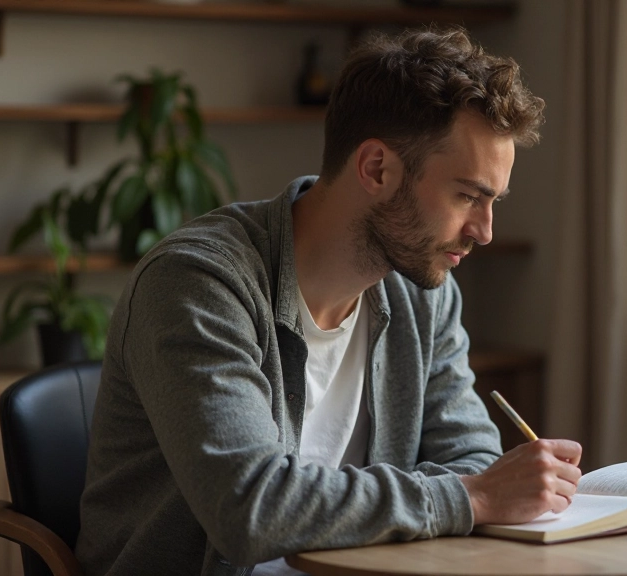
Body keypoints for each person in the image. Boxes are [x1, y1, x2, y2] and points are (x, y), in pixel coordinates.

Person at [75, 26, 583, 576]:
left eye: (493, 201)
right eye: (467, 196)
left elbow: (473, 456)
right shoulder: (198, 282)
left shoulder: (423, 295)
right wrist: (469, 497)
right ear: (376, 168)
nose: (484, 231)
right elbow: (251, 510)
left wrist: (469, 490)